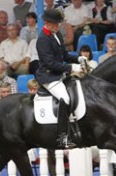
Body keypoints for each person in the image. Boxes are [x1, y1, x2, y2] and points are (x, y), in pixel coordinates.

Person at [36, 9, 83, 148]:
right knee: (65, 98)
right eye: (55, 24)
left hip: (59, 74)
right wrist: (71, 68)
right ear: (46, 23)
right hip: (48, 76)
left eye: (58, 23)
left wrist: (78, 58)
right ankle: (62, 137)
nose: (57, 26)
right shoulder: (42, 40)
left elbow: (64, 55)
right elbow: (50, 63)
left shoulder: (56, 35)